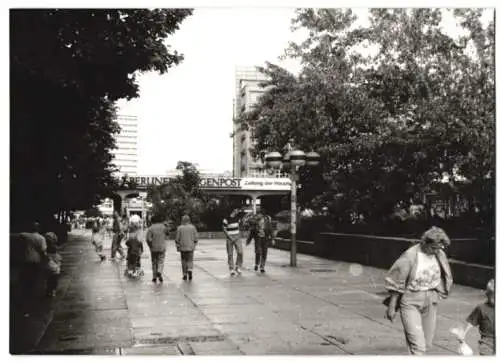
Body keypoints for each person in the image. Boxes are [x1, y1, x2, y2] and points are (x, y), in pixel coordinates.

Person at [384, 226, 453, 355]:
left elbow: (445, 274)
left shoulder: (439, 254)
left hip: (431, 299)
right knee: (418, 346)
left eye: (440, 248)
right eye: (434, 248)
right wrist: (392, 307)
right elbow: (397, 279)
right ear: (425, 242)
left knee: (426, 344)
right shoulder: (410, 256)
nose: (436, 251)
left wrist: (441, 292)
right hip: (410, 300)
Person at [454, 279, 495, 355]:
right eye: (493, 296)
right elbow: (471, 322)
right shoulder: (481, 308)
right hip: (486, 342)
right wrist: (463, 333)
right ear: (487, 294)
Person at [19, 221, 47, 298]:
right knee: (34, 276)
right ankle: (31, 292)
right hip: (36, 259)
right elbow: (43, 250)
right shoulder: (41, 238)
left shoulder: (24, 235)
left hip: (25, 259)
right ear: (38, 228)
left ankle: (25, 292)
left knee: (25, 276)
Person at [146, 215, 169, 283]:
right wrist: (166, 226)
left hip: (153, 248)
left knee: (154, 262)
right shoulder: (163, 227)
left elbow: (148, 239)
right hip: (162, 247)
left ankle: (154, 277)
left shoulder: (150, 228)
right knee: (161, 261)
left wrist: (150, 246)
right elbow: (168, 233)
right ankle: (159, 271)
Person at [175, 215, 199, 281]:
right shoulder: (193, 227)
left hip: (182, 247)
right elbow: (196, 238)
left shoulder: (179, 228)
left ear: (182, 220)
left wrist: (177, 246)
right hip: (191, 247)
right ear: (189, 220)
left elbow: (177, 238)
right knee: (190, 260)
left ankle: (184, 274)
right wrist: (194, 244)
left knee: (183, 261)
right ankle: (190, 269)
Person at [223, 210, 243, 276]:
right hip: (229, 237)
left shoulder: (238, 218)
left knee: (240, 252)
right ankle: (231, 268)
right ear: (233, 210)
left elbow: (239, 228)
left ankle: (238, 266)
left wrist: (238, 236)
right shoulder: (226, 219)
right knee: (230, 253)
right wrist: (229, 237)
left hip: (237, 237)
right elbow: (224, 229)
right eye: (237, 210)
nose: (238, 211)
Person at [44, 232, 62, 297]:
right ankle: (53, 291)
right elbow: (58, 259)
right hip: (55, 268)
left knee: (49, 280)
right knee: (54, 280)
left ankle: (48, 290)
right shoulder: (54, 249)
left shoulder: (46, 249)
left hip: (47, 267)